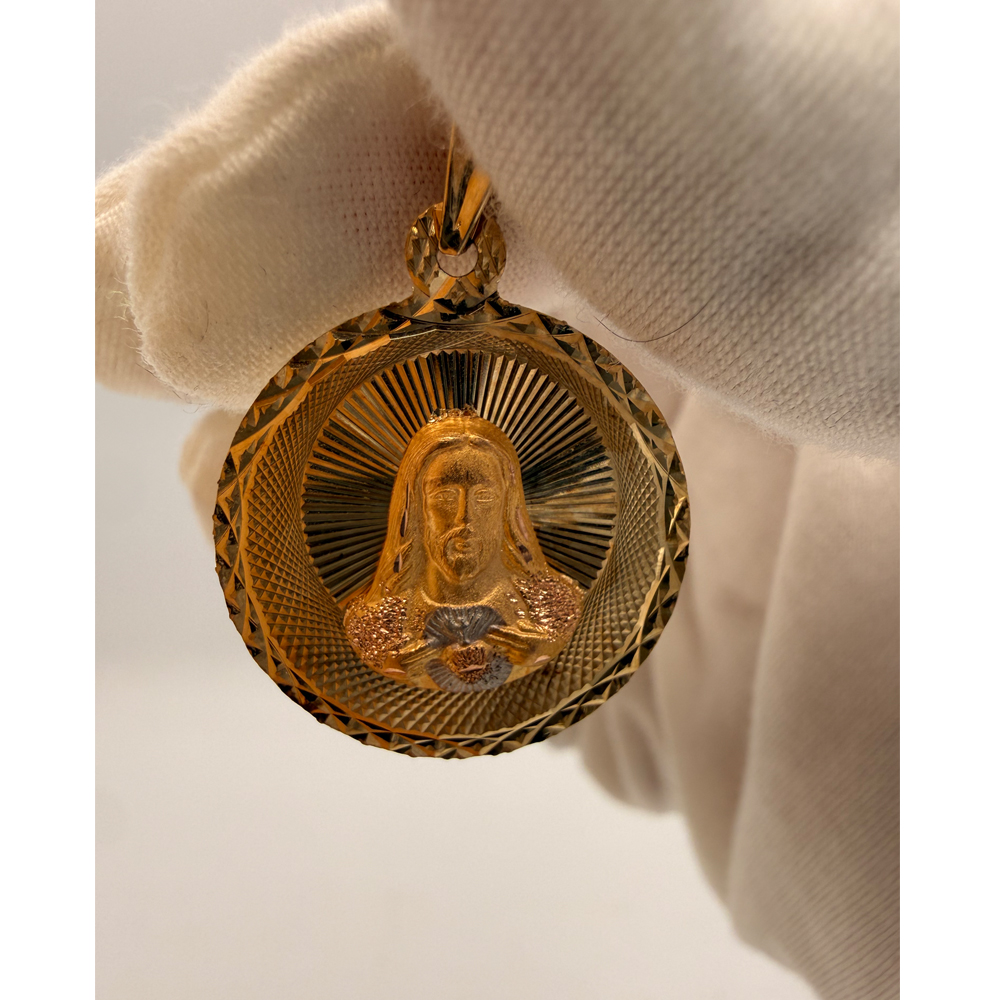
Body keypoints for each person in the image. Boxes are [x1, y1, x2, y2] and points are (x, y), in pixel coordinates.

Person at [96, 2, 899, 995]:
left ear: (515, 507)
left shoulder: (553, 612)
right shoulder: (374, 627)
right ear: (405, 510)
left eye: (478, 488)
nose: (457, 514)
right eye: (439, 491)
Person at [343, 408, 583, 693]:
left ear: (507, 507)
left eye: (484, 496)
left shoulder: (552, 612)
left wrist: (543, 652)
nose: (464, 518)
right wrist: (391, 666)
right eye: (445, 496)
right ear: (417, 508)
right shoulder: (375, 624)